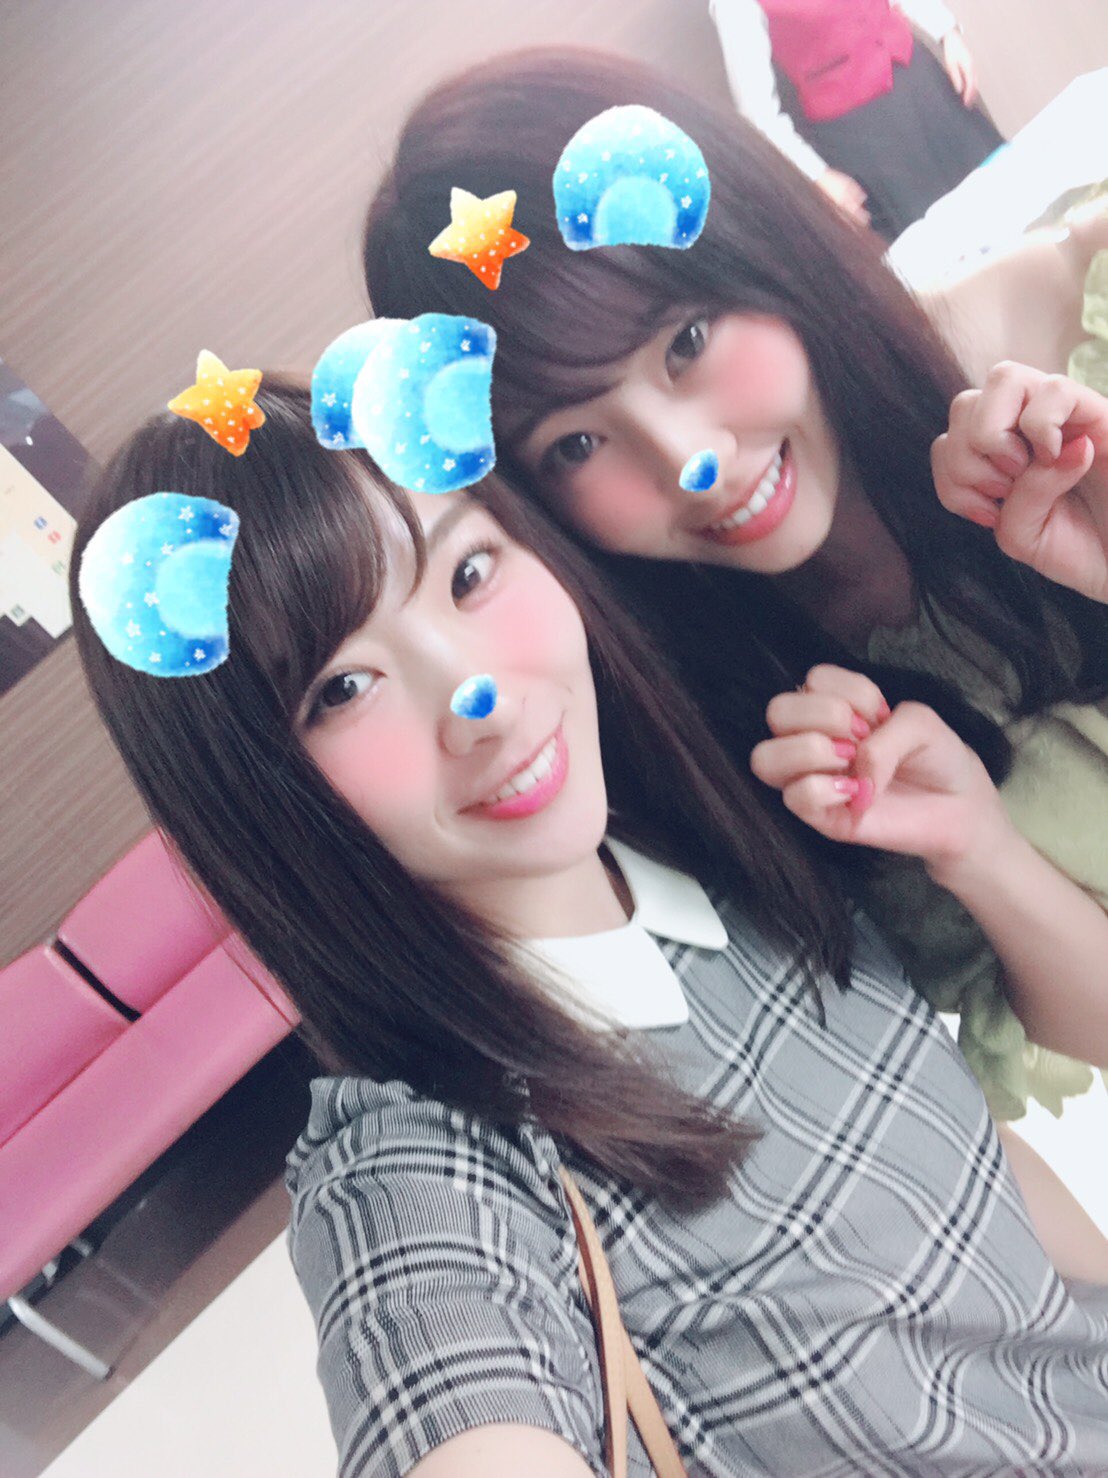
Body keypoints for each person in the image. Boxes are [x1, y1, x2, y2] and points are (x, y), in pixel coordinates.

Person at [70, 377, 1108, 1476]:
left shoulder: (732, 835)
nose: (477, 697)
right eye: (342, 688)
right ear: (259, 796)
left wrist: (976, 846)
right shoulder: (425, 1166)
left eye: (469, 573)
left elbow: (981, 1182)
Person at [360, 46, 1108, 1126]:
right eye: (574, 445)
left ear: (756, 240)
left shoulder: (1075, 320)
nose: (688, 463)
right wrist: (977, 848)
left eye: (687, 341)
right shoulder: (752, 731)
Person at [709, 0, 1002, 239]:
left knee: (999, 195)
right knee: (944, 243)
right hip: (866, 139)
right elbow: (759, 113)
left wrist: (948, 33)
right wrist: (818, 175)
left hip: (922, 83)